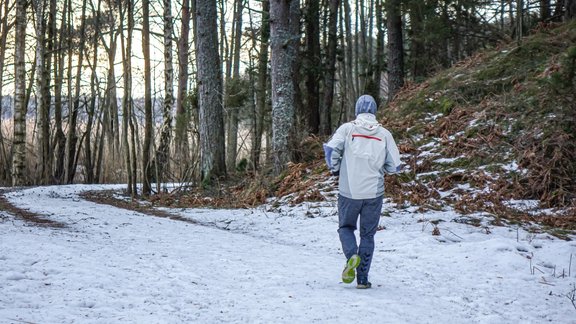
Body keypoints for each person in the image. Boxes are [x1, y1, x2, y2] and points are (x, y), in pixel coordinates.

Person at [323, 94, 401, 289]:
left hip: (348, 191)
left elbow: (331, 150)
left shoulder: (347, 129)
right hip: (374, 193)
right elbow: (395, 166)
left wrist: (335, 169)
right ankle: (363, 279)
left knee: (346, 227)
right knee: (368, 235)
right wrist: (385, 169)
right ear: (374, 111)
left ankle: (352, 256)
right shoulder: (384, 134)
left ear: (357, 110)